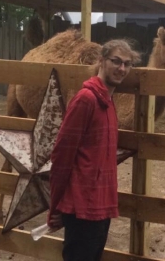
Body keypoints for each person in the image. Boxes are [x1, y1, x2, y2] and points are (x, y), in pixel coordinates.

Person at [48, 39, 141, 261]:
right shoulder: (86, 99)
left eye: (127, 64)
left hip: (100, 205)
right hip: (82, 206)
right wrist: (55, 204)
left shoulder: (108, 102)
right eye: (116, 61)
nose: (122, 69)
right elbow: (62, 154)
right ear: (101, 61)